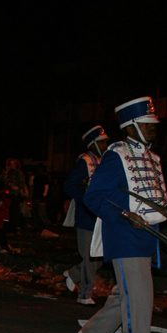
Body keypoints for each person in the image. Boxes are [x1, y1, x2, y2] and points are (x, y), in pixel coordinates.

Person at [78, 97, 167, 333]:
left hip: (147, 237)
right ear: (131, 128)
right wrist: (125, 215)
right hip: (124, 234)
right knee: (140, 298)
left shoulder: (153, 158)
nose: (152, 129)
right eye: (146, 124)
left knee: (126, 295)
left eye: (152, 124)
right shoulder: (116, 156)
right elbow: (93, 197)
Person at [63, 126, 109, 305]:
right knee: (90, 257)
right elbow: (70, 185)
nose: (106, 144)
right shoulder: (85, 162)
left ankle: (73, 274)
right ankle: (84, 294)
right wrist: (85, 196)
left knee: (101, 257)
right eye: (102, 142)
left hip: (101, 217)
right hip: (86, 216)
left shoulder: (104, 161)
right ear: (94, 144)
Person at [31, 164, 51, 230]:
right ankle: (38, 225)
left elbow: (46, 187)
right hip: (36, 196)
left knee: (41, 212)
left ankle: (45, 225)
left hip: (40, 197)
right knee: (36, 212)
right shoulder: (36, 177)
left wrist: (43, 196)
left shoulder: (43, 177)